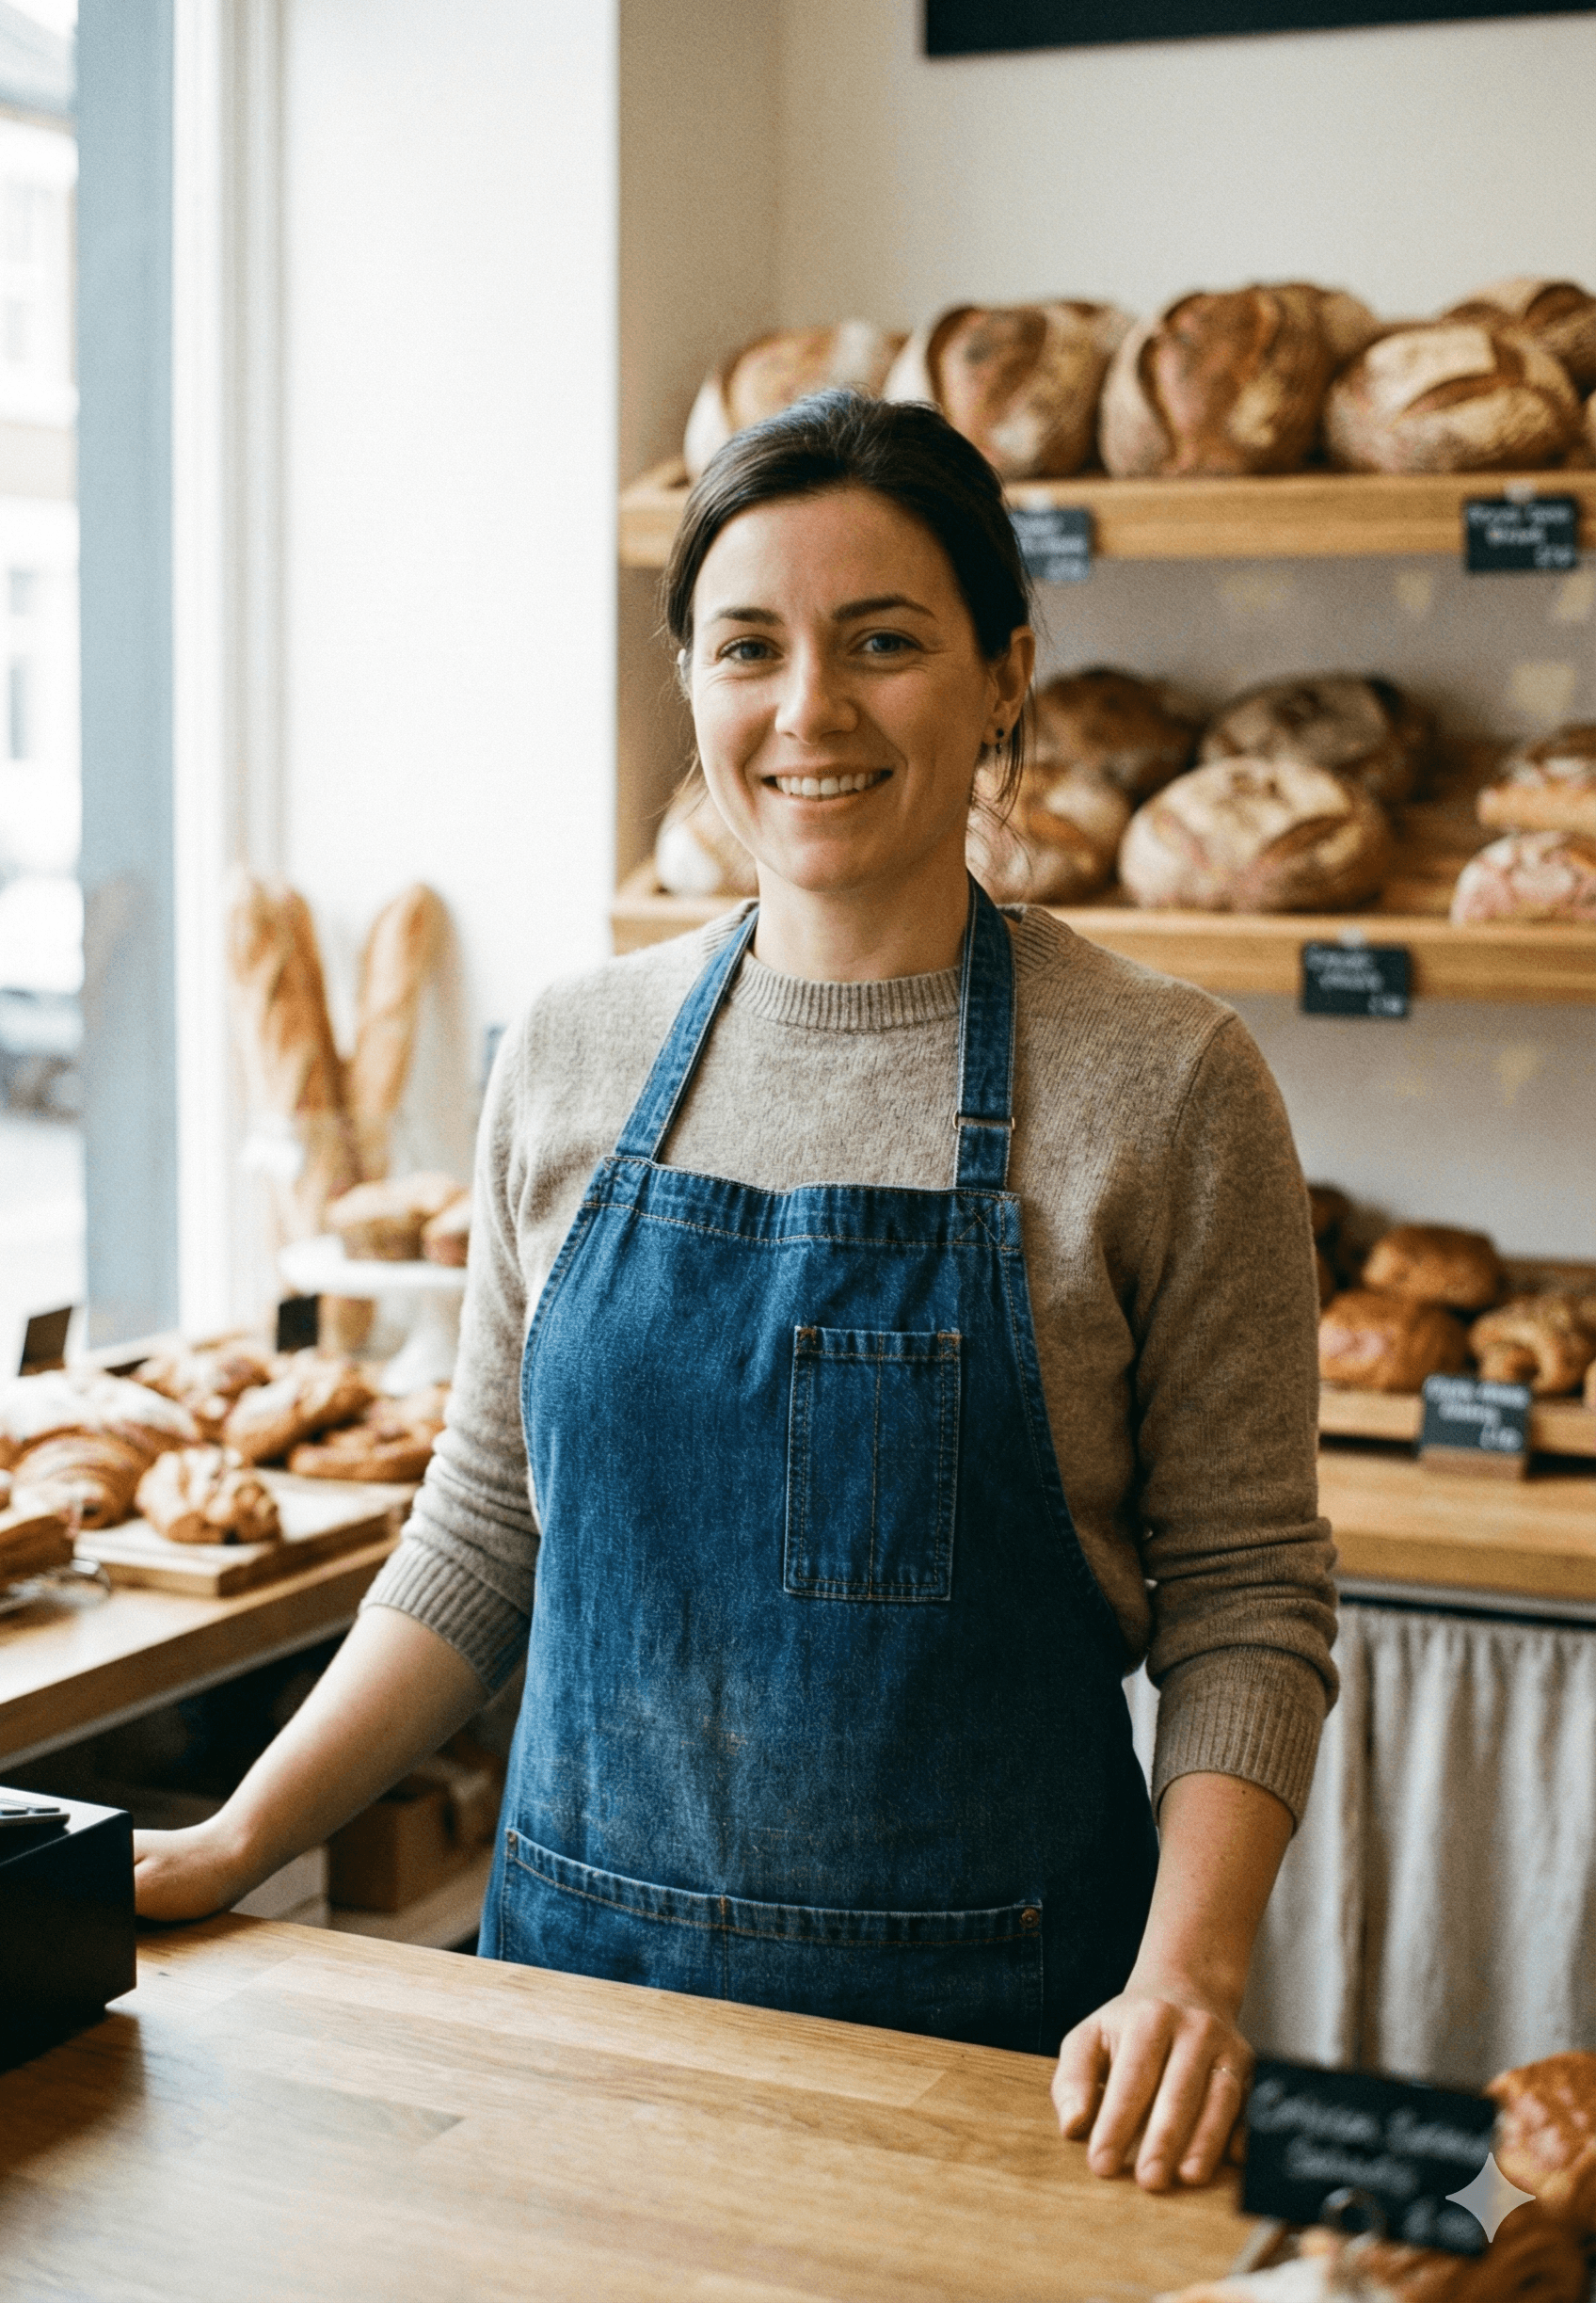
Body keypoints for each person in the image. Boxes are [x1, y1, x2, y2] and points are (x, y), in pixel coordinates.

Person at [136, 390, 1336, 2192]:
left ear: (1007, 673)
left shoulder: (1167, 1084)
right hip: (578, 2014)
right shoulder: (568, 1051)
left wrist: (1191, 1973)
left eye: (885, 643)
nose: (810, 710)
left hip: (997, 2048)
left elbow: (1246, 1598)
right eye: (748, 647)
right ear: (687, 681)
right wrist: (236, 1840)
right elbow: (481, 1534)